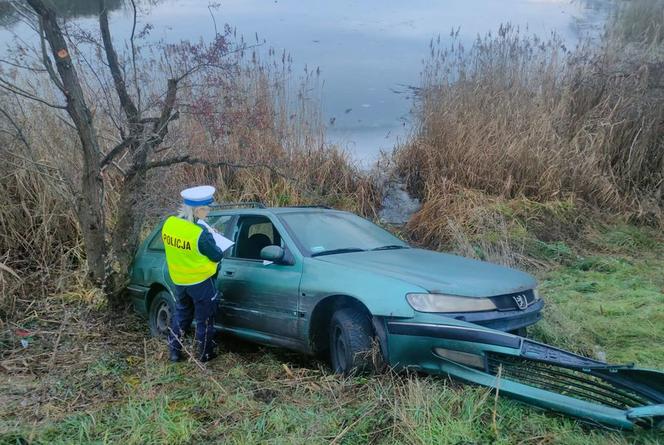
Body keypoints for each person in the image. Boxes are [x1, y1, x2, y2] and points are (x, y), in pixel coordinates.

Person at [162, 185, 223, 363]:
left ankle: (174, 352)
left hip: (179, 280)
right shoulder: (200, 234)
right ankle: (205, 354)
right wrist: (212, 237)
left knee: (182, 314)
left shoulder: (170, 223)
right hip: (200, 281)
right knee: (204, 318)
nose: (208, 212)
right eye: (207, 209)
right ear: (198, 210)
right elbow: (217, 255)